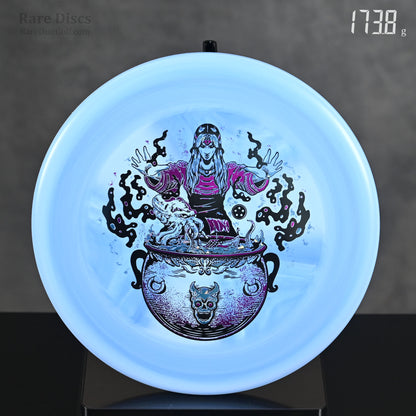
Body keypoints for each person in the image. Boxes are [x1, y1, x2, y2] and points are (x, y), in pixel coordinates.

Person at [131, 123, 281, 236]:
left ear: (217, 148)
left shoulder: (227, 170)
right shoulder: (185, 169)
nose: (207, 151)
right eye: (203, 146)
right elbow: (165, 181)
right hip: (192, 223)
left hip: (220, 225)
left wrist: (265, 174)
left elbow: (248, 182)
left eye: (211, 147)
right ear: (197, 147)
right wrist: (149, 172)